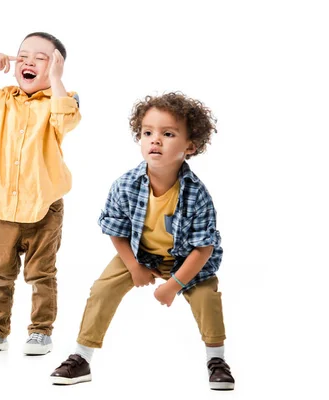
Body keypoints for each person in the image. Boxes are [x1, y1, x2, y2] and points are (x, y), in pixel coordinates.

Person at [50, 93, 235, 390]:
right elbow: (116, 229)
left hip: (186, 260)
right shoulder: (126, 184)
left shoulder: (197, 194)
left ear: (190, 146)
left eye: (168, 133)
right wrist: (135, 267)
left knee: (207, 297)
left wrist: (173, 285)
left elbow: (203, 248)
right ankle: (81, 357)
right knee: (102, 289)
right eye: (148, 132)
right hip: (141, 253)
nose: (155, 140)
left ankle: (217, 360)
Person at [0, 32, 80, 355]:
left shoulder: (62, 100)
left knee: (41, 273)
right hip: (3, 207)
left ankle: (41, 331)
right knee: (0, 273)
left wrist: (56, 79)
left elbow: (65, 119)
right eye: (22, 55)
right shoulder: (2, 99)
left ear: (56, 67)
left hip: (44, 206)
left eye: (41, 58)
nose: (28, 61)